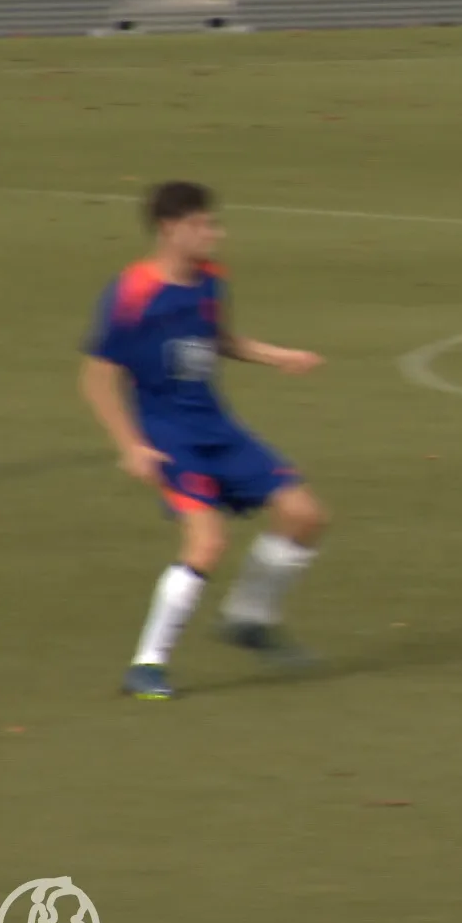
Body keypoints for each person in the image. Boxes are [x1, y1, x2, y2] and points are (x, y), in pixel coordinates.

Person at [80, 181, 330, 701]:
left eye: (213, 224)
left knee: (305, 516)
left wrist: (277, 356)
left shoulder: (211, 280)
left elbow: (219, 340)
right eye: (202, 225)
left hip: (217, 428)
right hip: (168, 437)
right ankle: (147, 665)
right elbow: (97, 377)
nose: (215, 233)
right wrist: (130, 445)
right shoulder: (131, 293)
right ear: (170, 229)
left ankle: (248, 619)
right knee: (207, 542)